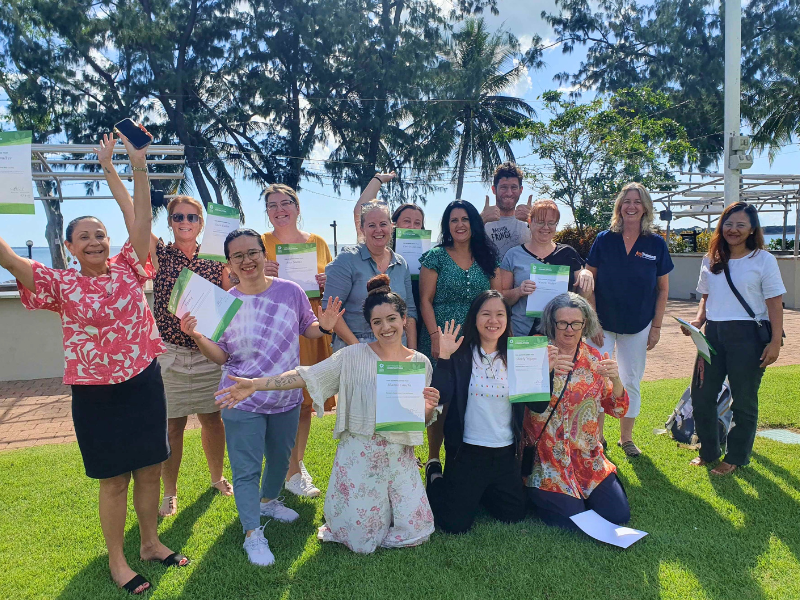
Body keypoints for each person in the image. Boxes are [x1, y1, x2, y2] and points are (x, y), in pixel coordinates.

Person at [0, 127, 189, 595]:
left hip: (143, 381)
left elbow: (141, 218)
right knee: (113, 480)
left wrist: (136, 164)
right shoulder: (59, 284)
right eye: (83, 237)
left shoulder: (131, 265)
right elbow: (7, 257)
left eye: (99, 234)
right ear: (69, 247)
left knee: (148, 468)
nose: (94, 242)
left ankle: (149, 543)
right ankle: (118, 561)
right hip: (95, 394)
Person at [214, 274, 441, 554]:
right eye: (377, 322)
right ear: (369, 325)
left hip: (399, 457)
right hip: (360, 454)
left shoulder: (420, 363)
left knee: (414, 529)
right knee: (360, 539)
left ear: (404, 319)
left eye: (392, 319)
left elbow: (418, 417)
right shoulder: (353, 356)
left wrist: (428, 408)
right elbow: (305, 376)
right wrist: (256, 384)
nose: (386, 327)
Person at [180, 229, 343, 567]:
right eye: (238, 256)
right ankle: (252, 534)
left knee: (282, 461)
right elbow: (221, 357)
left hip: (284, 395)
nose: (247, 260)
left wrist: (325, 327)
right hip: (241, 398)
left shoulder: (291, 292)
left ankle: (268, 501)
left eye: (252, 252)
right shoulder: (224, 303)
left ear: (263, 253)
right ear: (229, 263)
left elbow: (308, 328)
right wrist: (196, 335)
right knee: (245, 469)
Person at [96, 133, 234, 518]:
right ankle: (170, 492)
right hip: (171, 355)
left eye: (192, 217)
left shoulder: (216, 259)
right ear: (170, 222)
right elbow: (130, 211)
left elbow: (235, 301)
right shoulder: (161, 254)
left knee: (212, 420)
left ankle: (216, 478)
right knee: (172, 427)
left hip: (207, 354)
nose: (185, 221)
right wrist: (111, 167)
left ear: (201, 222)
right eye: (178, 217)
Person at [683, 202, 785, 476]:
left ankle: (736, 456)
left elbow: (775, 302)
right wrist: (697, 321)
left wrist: (775, 342)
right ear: (721, 227)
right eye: (729, 224)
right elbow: (706, 298)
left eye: (741, 225)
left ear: (752, 230)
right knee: (701, 395)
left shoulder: (763, 260)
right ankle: (709, 451)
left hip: (748, 337)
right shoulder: (711, 259)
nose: (734, 230)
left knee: (744, 400)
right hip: (713, 335)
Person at [523, 293, 631, 530]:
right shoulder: (534, 353)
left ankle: (579, 495)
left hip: (586, 456)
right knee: (573, 521)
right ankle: (544, 494)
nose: (569, 330)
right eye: (562, 322)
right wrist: (545, 371)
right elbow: (524, 403)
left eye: (576, 323)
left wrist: (617, 380)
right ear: (552, 323)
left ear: (585, 324)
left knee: (618, 515)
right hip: (547, 458)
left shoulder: (594, 360)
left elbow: (619, 409)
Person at [425, 291, 528, 534]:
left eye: (500, 314)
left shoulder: (518, 356)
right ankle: (434, 475)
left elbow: (537, 406)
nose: (493, 320)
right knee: (454, 524)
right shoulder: (461, 354)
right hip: (467, 452)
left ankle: (480, 491)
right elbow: (441, 395)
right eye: (486, 314)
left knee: (514, 514)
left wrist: (547, 373)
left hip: (504, 453)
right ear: (475, 318)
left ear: (507, 319)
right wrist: (446, 357)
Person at [586, 182, 673, 456]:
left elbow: (663, 289)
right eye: (627, 201)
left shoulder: (656, 244)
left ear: (645, 207)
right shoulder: (604, 239)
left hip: (638, 325)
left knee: (630, 379)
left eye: (637, 201)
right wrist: (593, 322)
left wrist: (656, 327)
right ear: (619, 207)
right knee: (598, 378)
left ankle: (626, 439)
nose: (631, 206)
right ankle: (597, 438)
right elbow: (589, 282)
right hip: (601, 325)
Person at [259, 183, 335, 499]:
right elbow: (234, 279)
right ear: (267, 212)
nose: (280, 209)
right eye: (272, 204)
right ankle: (289, 470)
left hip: (311, 327)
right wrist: (260, 273)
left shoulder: (317, 242)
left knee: (304, 403)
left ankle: (296, 464)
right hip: (276, 330)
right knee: (282, 402)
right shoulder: (260, 243)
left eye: (285, 202)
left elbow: (334, 285)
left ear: (297, 207)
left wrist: (327, 281)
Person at [418, 200, 499, 468]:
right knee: (440, 399)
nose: (460, 224)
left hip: (477, 339)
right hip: (442, 337)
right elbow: (425, 300)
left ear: (474, 224)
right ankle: (432, 457)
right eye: (454, 220)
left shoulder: (487, 257)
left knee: (471, 396)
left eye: (465, 219)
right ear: (447, 226)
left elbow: (495, 300)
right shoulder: (436, 257)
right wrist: (434, 337)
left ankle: (461, 457)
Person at [323, 201, 418, 351]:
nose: (378, 230)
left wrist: (412, 352)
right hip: (353, 345)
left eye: (383, 224)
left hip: (396, 345)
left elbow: (410, 311)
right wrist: (360, 351)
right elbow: (330, 311)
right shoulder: (346, 260)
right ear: (362, 229)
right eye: (372, 225)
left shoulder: (401, 264)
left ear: (391, 226)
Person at [495, 198, 594, 337]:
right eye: (540, 222)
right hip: (522, 333)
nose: (545, 227)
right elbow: (501, 297)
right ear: (530, 222)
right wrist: (519, 291)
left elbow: (582, 297)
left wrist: (586, 273)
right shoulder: (513, 255)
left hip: (560, 333)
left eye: (551, 223)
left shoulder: (568, 253)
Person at [352, 171, 426, 312]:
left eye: (417, 223)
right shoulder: (378, 246)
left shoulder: (427, 254)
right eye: (406, 221)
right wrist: (378, 179)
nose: (412, 226)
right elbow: (359, 212)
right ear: (393, 224)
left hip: (414, 312)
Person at [481, 162, 533, 257]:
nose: (509, 193)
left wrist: (534, 221)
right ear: (493, 189)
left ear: (521, 190)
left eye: (513, 187)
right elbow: (463, 248)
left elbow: (547, 249)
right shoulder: (482, 221)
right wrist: (479, 221)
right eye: (503, 187)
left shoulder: (530, 222)